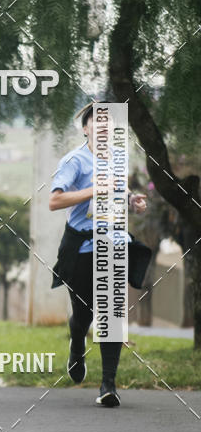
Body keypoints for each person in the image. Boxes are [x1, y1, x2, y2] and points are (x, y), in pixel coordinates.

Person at [50, 102, 147, 407]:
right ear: (86, 128)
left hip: (114, 244)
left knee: (112, 313)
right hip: (81, 248)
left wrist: (132, 201)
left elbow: (117, 192)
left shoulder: (118, 159)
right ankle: (77, 342)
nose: (104, 129)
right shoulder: (74, 161)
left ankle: (108, 384)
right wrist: (93, 190)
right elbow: (55, 201)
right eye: (97, 123)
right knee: (84, 314)